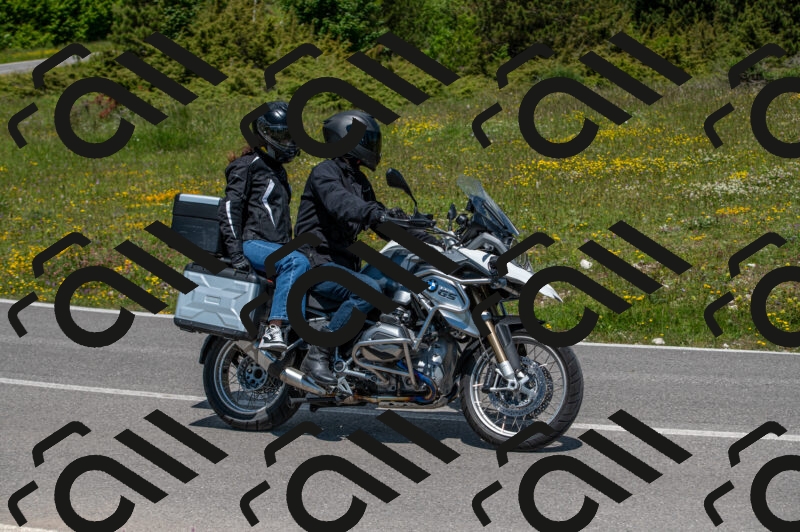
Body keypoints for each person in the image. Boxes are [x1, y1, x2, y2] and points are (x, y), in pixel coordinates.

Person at [293, 110, 393, 385]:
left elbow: (377, 219)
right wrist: (374, 213)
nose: (373, 145)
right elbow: (342, 204)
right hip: (317, 262)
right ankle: (319, 353)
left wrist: (419, 232)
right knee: (368, 290)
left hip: (342, 265)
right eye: (367, 139)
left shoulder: (358, 181)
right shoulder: (324, 173)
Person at [218, 101, 310, 353]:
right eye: (284, 136)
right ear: (265, 134)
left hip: (273, 245)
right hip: (252, 243)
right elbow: (229, 208)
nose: (289, 142)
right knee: (295, 262)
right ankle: (274, 328)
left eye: (291, 136)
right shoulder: (248, 165)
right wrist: (236, 253)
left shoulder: (276, 170)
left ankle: (300, 336)